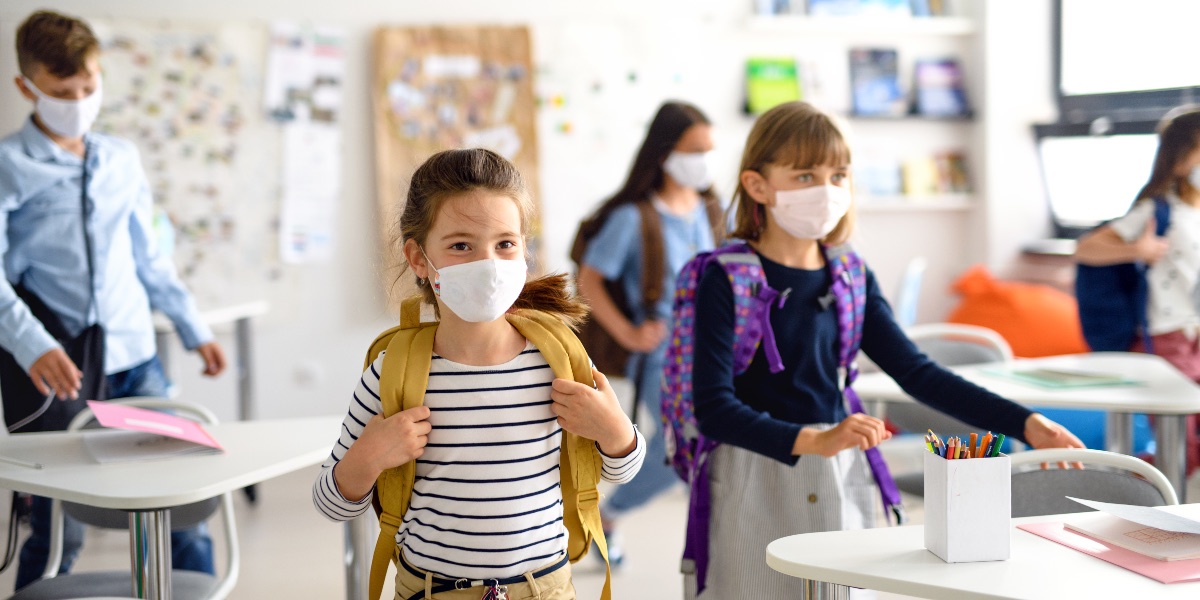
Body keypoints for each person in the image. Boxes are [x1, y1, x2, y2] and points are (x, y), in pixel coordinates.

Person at [689, 101, 1085, 598]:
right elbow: (713, 410)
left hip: (840, 466)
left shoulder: (849, 272)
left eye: (839, 174)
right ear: (757, 185)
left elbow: (917, 372)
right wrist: (814, 440)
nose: (827, 190)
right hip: (755, 472)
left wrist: (1027, 424)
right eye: (806, 175)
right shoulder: (724, 278)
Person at [312, 148, 646, 599]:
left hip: (545, 589)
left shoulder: (560, 360)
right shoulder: (392, 372)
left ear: (525, 251)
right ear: (417, 258)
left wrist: (615, 430)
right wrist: (369, 456)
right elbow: (328, 503)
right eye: (460, 245)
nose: (487, 263)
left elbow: (624, 469)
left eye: (505, 244)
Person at [0, 10, 227, 589]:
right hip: (62, 365)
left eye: (88, 88)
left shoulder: (120, 158)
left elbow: (149, 256)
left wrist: (192, 325)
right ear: (26, 87)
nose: (77, 101)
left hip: (136, 358)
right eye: (60, 92)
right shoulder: (8, 166)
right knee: (60, 529)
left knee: (182, 508)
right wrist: (32, 344)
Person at [575, 101, 724, 560]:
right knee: (690, 444)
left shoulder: (712, 210)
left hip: (714, 352)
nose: (703, 160)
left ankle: (613, 512)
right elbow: (589, 279)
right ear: (664, 152)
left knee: (700, 443)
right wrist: (627, 333)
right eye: (693, 150)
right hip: (663, 357)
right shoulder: (633, 217)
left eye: (708, 150)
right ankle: (611, 510)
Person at [1074, 105, 1200, 469]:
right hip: (1167, 336)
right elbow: (1086, 248)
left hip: (1194, 336)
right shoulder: (1157, 210)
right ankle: (1128, 486)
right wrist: (1138, 250)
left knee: (1189, 445)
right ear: (1180, 159)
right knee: (1181, 446)